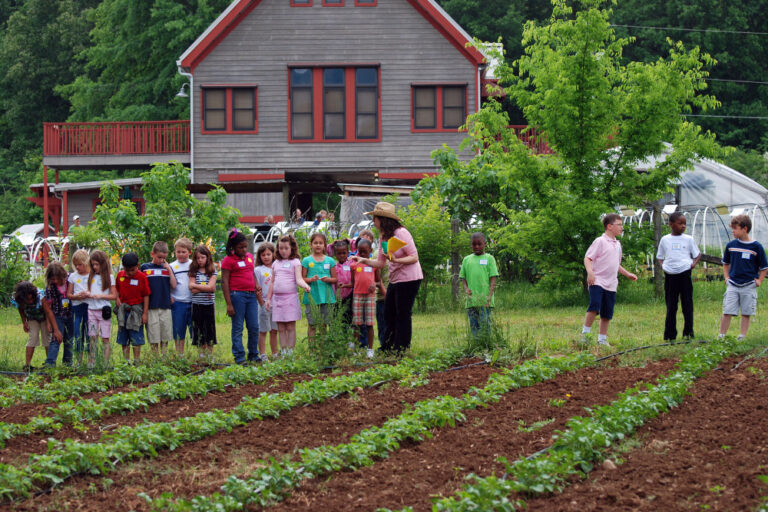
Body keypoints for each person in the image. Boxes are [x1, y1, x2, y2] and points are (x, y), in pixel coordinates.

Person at [351, 202, 423, 355]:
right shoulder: (383, 236)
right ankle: (387, 346)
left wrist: (397, 261)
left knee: (402, 314)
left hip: (410, 279)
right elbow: (380, 263)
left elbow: (414, 257)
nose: (373, 222)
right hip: (396, 279)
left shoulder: (401, 233)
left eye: (375, 219)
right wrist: (363, 260)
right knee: (388, 313)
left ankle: (401, 348)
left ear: (382, 219)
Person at [580, 214, 638, 348]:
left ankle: (602, 339)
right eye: (619, 224)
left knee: (607, 312)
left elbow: (615, 264)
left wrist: (627, 274)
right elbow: (588, 258)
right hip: (597, 280)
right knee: (594, 305)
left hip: (611, 283)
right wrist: (590, 273)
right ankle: (585, 335)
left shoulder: (618, 244)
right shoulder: (600, 241)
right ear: (609, 226)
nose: (622, 228)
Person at [718, 214, 768, 340]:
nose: (733, 231)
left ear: (744, 229)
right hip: (733, 284)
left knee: (746, 312)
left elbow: (764, 267)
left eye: (735, 228)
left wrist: (759, 281)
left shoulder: (756, 247)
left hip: (749, 285)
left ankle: (742, 336)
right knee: (727, 310)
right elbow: (725, 263)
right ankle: (722, 335)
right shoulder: (731, 245)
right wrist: (726, 277)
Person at [656, 212, 700, 340]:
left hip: (685, 273)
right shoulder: (665, 239)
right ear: (671, 224)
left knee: (687, 304)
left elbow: (697, 254)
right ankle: (670, 335)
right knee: (671, 306)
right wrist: (663, 266)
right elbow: (659, 257)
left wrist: (693, 264)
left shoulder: (688, 239)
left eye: (685, 223)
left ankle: (688, 333)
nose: (683, 226)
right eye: (680, 223)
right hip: (670, 274)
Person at [266, 234, 310, 355]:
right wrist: (269, 299)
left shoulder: (295, 262)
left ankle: (290, 351)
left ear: (292, 248)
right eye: (281, 248)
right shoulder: (276, 263)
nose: (283, 251)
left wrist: (305, 285)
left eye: (286, 248)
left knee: (290, 326)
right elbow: (272, 282)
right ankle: (284, 351)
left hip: (290, 298)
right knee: (280, 327)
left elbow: (299, 279)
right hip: (277, 300)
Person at [221, 229, 260, 364]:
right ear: (233, 247)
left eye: (245, 247)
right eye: (240, 247)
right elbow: (225, 281)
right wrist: (229, 303)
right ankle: (239, 357)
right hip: (237, 296)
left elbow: (252, 273)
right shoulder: (228, 260)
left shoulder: (249, 256)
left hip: (251, 296)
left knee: (254, 326)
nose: (244, 250)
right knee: (238, 327)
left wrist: (256, 284)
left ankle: (253, 355)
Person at [140, 241, 177, 357]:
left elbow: (174, 285)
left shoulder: (168, 268)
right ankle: (155, 357)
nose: (161, 260)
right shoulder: (145, 268)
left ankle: (164, 356)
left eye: (164, 258)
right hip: (151, 306)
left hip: (165, 305)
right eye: (159, 257)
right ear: (152, 254)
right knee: (153, 333)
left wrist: (169, 270)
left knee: (165, 333)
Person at [459, 233, 499, 337]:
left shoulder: (489, 258)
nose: (476, 246)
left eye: (479, 244)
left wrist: (489, 296)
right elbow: (463, 277)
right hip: (471, 300)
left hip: (485, 300)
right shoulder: (466, 259)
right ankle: (476, 346)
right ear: (471, 245)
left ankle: (485, 345)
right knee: (474, 325)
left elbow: (493, 278)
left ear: (485, 244)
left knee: (484, 324)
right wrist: (466, 288)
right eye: (474, 244)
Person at [302, 232, 337, 343]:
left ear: (325, 245)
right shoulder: (306, 260)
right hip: (312, 296)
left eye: (320, 243)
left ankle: (322, 349)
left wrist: (328, 279)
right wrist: (311, 279)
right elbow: (302, 279)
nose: (318, 245)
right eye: (315, 243)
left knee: (323, 324)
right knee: (312, 324)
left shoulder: (330, 261)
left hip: (326, 297)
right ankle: (312, 350)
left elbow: (335, 279)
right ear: (311, 245)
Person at [115, 252, 150, 364]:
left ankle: (136, 360)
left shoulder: (142, 277)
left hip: (136, 311)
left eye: (132, 270)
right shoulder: (120, 275)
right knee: (123, 337)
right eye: (127, 270)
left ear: (137, 265)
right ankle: (126, 361)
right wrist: (117, 299)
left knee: (136, 336)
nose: (129, 273)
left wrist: (145, 313)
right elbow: (116, 289)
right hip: (124, 310)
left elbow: (146, 295)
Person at [14, 281, 56, 371]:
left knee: (46, 338)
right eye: (27, 300)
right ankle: (27, 365)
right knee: (32, 337)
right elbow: (20, 310)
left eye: (31, 299)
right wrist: (24, 322)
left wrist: (49, 324)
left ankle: (49, 364)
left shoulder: (41, 297)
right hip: (32, 318)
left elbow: (48, 311)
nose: (30, 302)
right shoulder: (19, 299)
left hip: (45, 318)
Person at [86, 250, 117, 366]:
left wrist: (100, 296)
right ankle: (92, 362)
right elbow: (90, 290)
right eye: (93, 264)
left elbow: (113, 295)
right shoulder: (91, 277)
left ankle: (105, 363)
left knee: (105, 338)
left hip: (104, 310)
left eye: (97, 264)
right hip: (91, 309)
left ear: (103, 264)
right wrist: (87, 294)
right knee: (93, 337)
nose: (94, 267)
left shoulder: (109, 277)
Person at [350, 239, 378, 358]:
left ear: (370, 251)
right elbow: (352, 281)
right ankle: (356, 349)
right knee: (357, 324)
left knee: (369, 324)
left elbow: (378, 280)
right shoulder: (354, 264)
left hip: (370, 296)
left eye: (364, 252)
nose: (361, 255)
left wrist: (374, 284)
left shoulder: (373, 264)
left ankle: (370, 349)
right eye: (359, 252)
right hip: (357, 295)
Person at [189, 245, 217, 361]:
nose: (200, 260)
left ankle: (210, 356)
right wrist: (206, 287)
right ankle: (201, 355)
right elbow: (191, 288)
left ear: (208, 257)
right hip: (197, 305)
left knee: (209, 329)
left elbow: (211, 287)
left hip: (209, 305)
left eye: (202, 257)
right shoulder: (193, 271)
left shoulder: (212, 271)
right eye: (197, 258)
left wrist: (197, 286)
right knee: (199, 329)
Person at [43, 262, 74, 367]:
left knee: (69, 340)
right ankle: (50, 363)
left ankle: (67, 364)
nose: (55, 281)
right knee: (56, 338)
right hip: (58, 316)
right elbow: (49, 308)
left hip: (71, 315)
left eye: (57, 278)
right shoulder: (50, 287)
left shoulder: (71, 279)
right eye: (53, 279)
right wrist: (50, 324)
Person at [170, 238, 194, 356]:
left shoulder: (193, 264)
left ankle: (200, 354)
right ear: (174, 252)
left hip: (193, 301)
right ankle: (180, 354)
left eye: (183, 252)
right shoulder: (172, 266)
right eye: (178, 252)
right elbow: (168, 283)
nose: (180, 254)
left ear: (189, 252)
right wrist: (170, 297)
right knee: (179, 330)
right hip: (178, 302)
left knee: (194, 329)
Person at [255, 242, 279, 361]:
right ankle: (263, 354)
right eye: (263, 255)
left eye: (268, 254)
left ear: (273, 254)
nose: (266, 257)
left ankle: (275, 353)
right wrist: (261, 303)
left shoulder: (277, 267)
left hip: (276, 303)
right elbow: (257, 288)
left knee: (274, 330)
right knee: (263, 330)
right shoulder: (258, 270)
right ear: (259, 256)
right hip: (264, 303)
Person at [67, 249, 91, 363]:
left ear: (86, 262)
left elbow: (96, 290)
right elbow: (69, 294)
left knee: (90, 333)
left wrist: (87, 294)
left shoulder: (93, 275)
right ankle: (79, 361)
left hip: (89, 306)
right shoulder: (72, 276)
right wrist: (77, 296)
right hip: (77, 307)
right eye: (75, 265)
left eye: (80, 265)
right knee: (78, 334)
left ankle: (92, 360)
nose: (77, 267)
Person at [333, 240, 354, 332]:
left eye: (344, 253)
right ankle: (339, 337)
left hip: (350, 295)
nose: (342, 255)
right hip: (337, 297)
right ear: (335, 254)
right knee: (337, 317)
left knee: (349, 317)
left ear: (348, 252)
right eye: (339, 253)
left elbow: (357, 244)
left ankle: (348, 337)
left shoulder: (351, 263)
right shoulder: (334, 265)